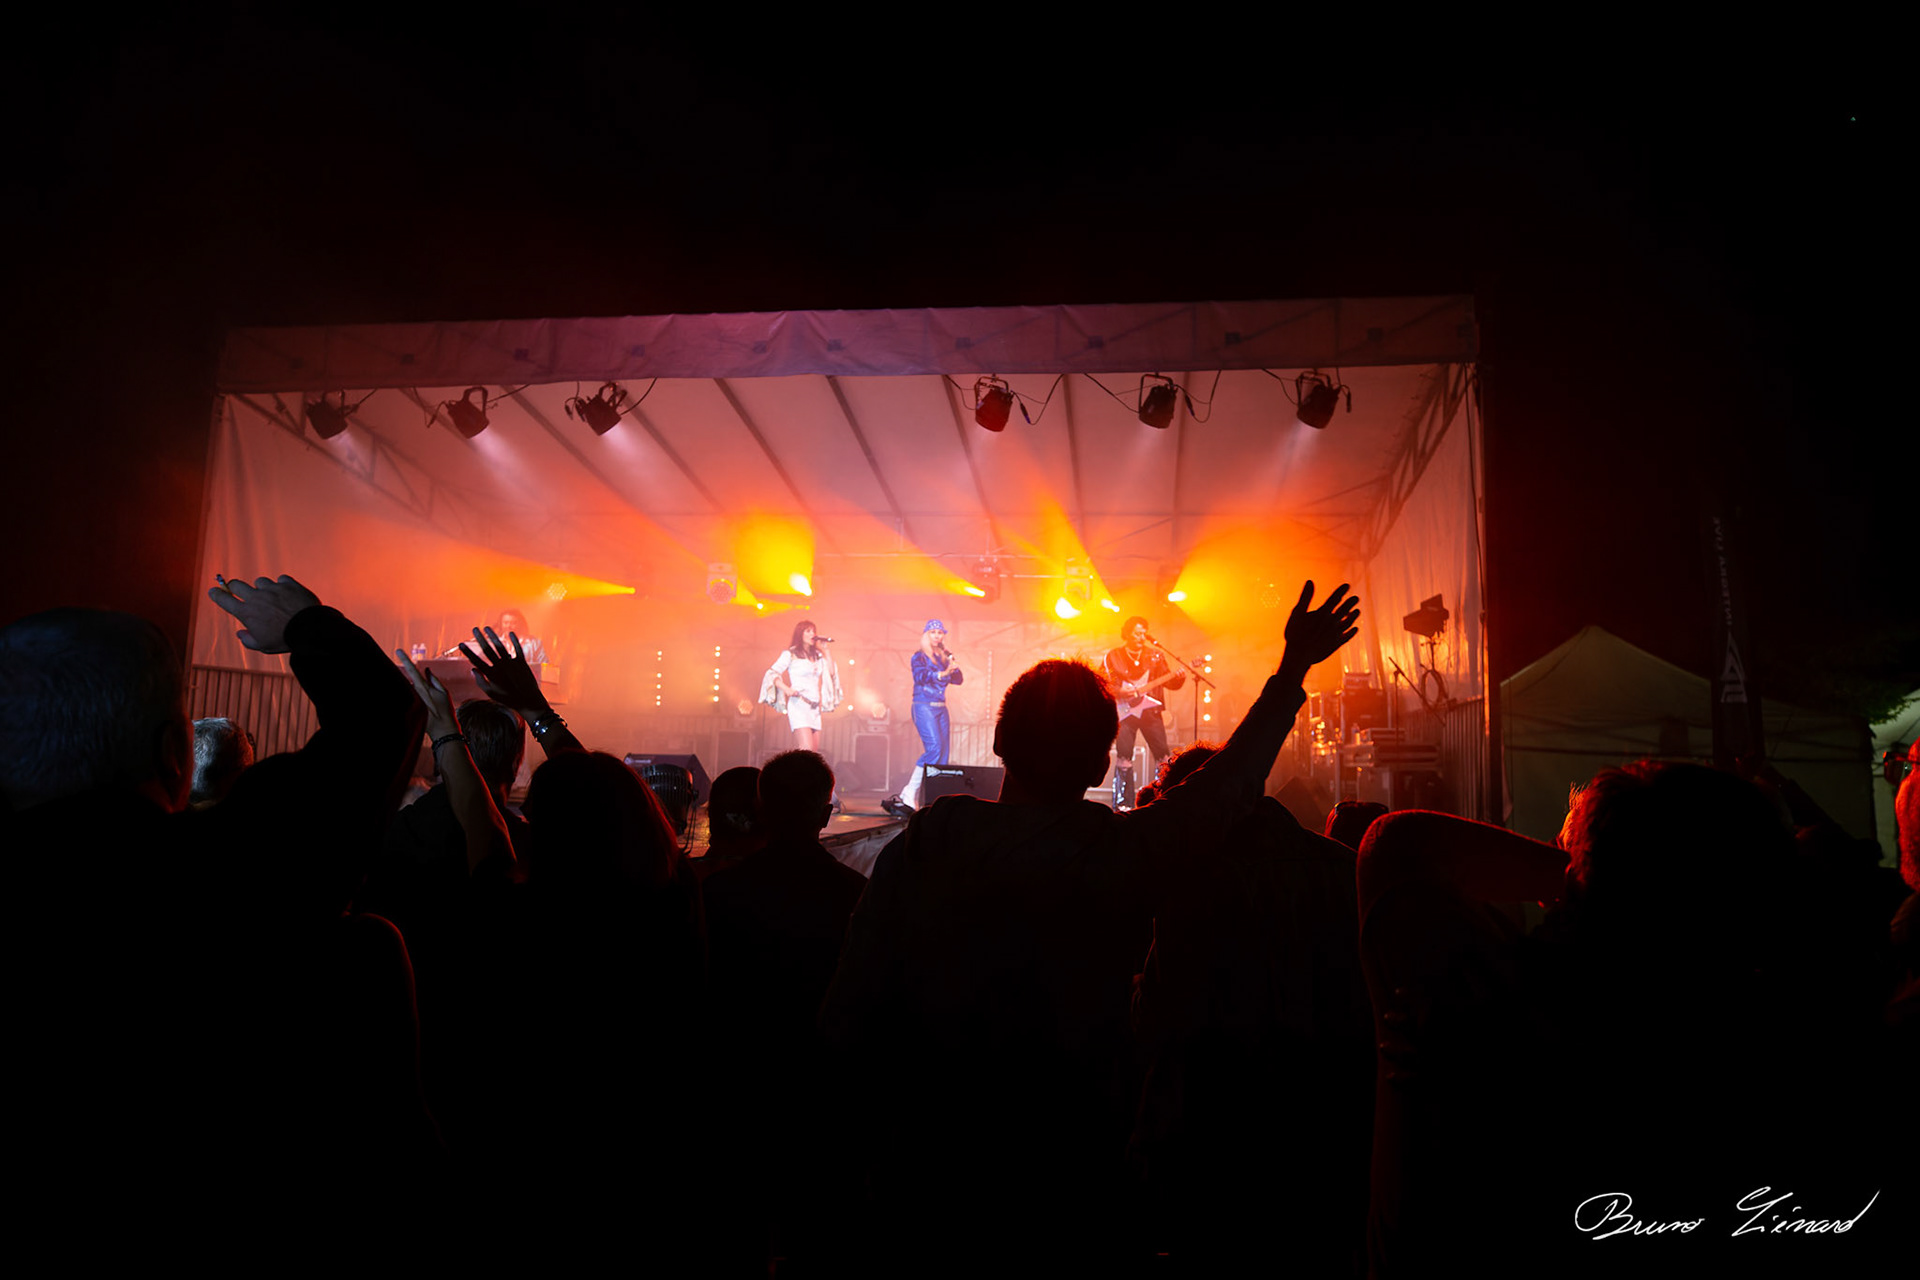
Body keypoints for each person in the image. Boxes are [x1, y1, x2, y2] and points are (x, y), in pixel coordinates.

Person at [820, 581, 1359, 1265]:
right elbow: (1226, 788)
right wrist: (1291, 671)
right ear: (1103, 760)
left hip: (927, 1168)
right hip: (1074, 1174)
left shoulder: (929, 844)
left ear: (999, 742)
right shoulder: (1118, 855)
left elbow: (849, 1005)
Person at [1103, 615, 1185, 808]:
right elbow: (1103, 681)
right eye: (1137, 633)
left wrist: (1179, 678)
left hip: (1151, 712)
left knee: (1163, 755)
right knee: (1124, 755)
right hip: (1125, 713)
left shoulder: (1155, 655)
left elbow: (1169, 682)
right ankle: (1123, 804)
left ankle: (1162, 799)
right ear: (1127, 633)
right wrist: (1119, 691)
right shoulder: (1114, 656)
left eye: (1143, 633)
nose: (1141, 637)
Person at [891, 619, 963, 813]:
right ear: (926, 635)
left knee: (943, 755)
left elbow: (958, 680)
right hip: (924, 706)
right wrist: (943, 673)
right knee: (934, 748)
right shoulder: (919, 657)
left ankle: (932, 799)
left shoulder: (943, 657)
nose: (937, 636)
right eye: (933, 632)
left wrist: (953, 666)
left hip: (941, 708)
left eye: (940, 633)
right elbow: (920, 677)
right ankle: (909, 791)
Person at [760, 618, 841, 752]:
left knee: (813, 754)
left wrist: (826, 650)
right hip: (799, 705)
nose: (812, 634)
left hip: (815, 708)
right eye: (808, 631)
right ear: (800, 634)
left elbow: (831, 673)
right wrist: (786, 689)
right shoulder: (790, 654)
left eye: (813, 631)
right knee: (806, 750)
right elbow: (772, 673)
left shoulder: (818, 656)